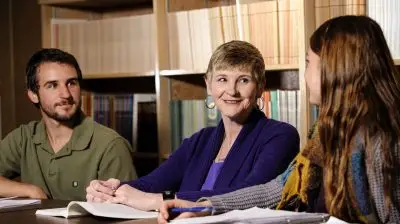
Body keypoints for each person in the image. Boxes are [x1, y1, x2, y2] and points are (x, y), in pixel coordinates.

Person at [158, 15, 400, 223]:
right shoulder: (326, 133)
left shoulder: (379, 140)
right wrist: (205, 205)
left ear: (335, 70)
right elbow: (278, 189)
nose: (305, 75)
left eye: (308, 63)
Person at [86, 40, 300, 211]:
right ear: (208, 84)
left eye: (243, 80)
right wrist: (113, 188)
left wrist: (159, 200)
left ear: (260, 86)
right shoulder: (200, 140)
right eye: (222, 79)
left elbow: (246, 196)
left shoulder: (280, 136)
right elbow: (151, 184)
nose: (232, 91)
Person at [0, 48, 137, 201]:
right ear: (33, 94)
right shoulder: (23, 138)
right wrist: (30, 190)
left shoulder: (110, 145)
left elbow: (128, 215)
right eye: (52, 85)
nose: (65, 94)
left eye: (71, 83)